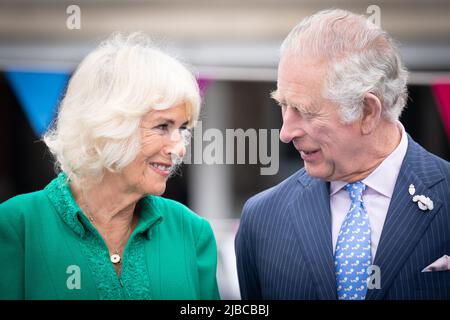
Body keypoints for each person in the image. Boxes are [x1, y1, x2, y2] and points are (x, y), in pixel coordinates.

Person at [235, 9, 450, 300]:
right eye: (283, 106)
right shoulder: (262, 219)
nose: (286, 132)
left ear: (367, 111)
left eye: (305, 111)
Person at [0, 33, 220, 300]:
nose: (179, 147)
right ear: (107, 126)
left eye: (182, 129)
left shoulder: (192, 232)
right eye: (163, 126)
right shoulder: (16, 225)